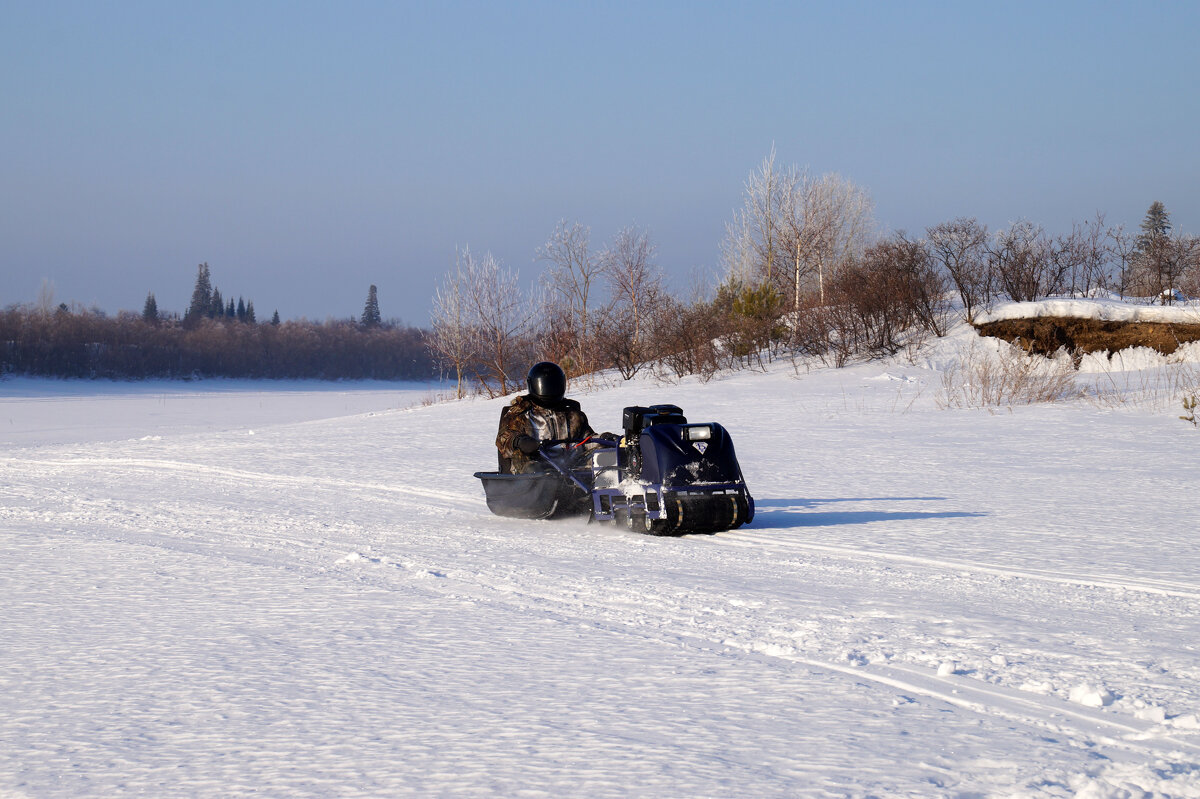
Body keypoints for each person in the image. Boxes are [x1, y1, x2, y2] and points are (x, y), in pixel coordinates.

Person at [495, 362, 611, 473]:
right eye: (545, 385)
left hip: (572, 468)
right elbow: (503, 439)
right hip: (533, 470)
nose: (548, 390)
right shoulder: (521, 414)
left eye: (553, 385)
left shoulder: (572, 414)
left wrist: (603, 439)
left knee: (609, 457)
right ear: (533, 385)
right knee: (535, 468)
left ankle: (619, 488)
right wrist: (519, 441)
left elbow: (586, 440)